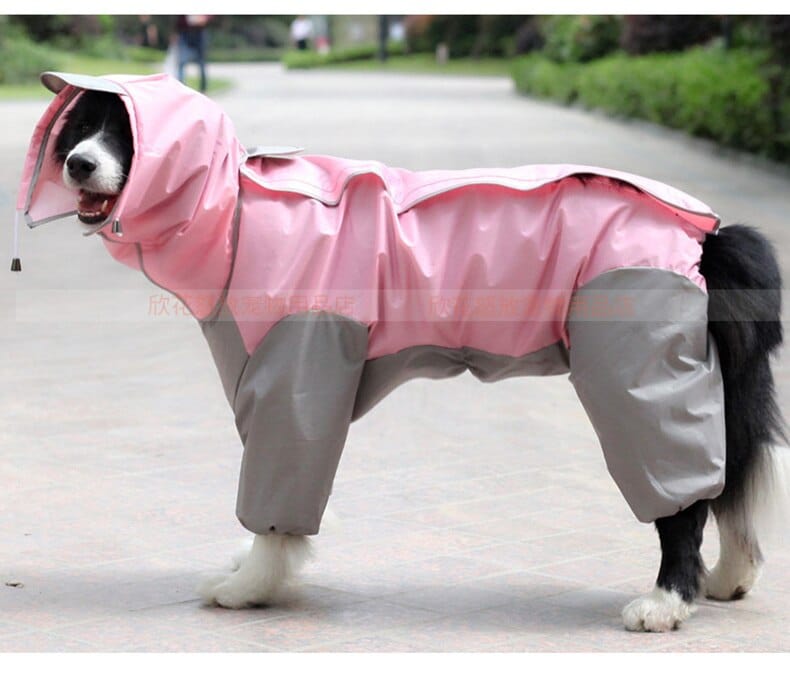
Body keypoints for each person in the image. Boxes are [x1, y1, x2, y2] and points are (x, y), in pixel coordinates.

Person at [175, 15, 211, 92]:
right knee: (182, 61)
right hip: (185, 32)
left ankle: (203, 89)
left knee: (202, 63)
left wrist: (205, 18)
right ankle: (181, 89)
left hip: (199, 33)